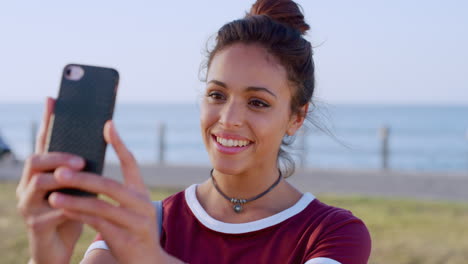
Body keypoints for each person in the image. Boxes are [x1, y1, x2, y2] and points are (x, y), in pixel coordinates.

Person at [16, 0, 371, 263]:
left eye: (258, 102)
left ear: (296, 117)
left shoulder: (331, 234)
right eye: (217, 95)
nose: (229, 118)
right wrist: (47, 255)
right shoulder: (147, 224)